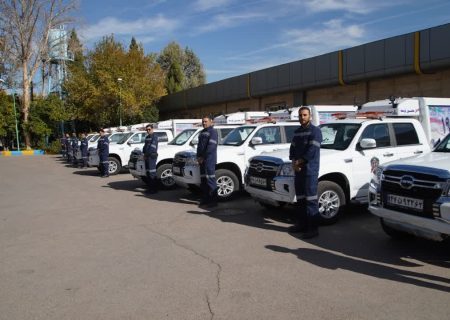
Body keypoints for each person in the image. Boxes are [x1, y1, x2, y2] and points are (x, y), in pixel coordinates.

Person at [289, 106, 323, 239]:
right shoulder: (297, 132)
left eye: (304, 115)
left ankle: (313, 228)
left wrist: (298, 162)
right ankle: (301, 224)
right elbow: (292, 148)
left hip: (310, 171)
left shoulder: (315, 131)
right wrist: (293, 161)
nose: (302, 118)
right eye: (300, 115)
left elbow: (312, 151)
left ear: (310, 116)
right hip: (298, 170)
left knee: (311, 200)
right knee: (301, 199)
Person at [197, 115, 218, 207]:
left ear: (211, 122)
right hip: (201, 160)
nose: (204, 123)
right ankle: (206, 199)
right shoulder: (202, 132)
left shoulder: (213, 132)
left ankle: (213, 201)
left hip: (209, 160)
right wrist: (198, 157)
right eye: (203, 121)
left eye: (206, 121)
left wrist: (203, 157)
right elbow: (199, 146)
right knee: (203, 180)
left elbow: (211, 147)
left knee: (210, 180)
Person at [142, 124, 159, 193]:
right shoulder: (147, 137)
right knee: (148, 173)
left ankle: (154, 189)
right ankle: (150, 188)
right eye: (147, 130)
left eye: (149, 129)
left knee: (152, 173)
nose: (148, 131)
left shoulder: (155, 137)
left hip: (151, 156)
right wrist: (143, 153)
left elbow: (152, 148)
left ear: (152, 129)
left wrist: (146, 155)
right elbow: (145, 147)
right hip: (147, 157)